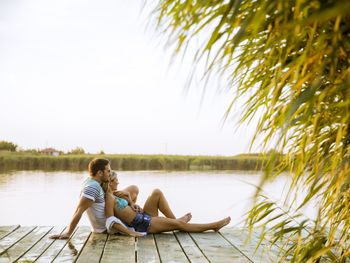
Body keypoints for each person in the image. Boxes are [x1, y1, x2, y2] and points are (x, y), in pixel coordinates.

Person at [106, 171, 231, 235]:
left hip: (143, 216)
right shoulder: (110, 199)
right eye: (116, 180)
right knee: (180, 225)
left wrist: (131, 202)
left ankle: (174, 222)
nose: (118, 182)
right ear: (110, 182)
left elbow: (132, 194)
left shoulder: (117, 194)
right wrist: (130, 232)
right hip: (143, 225)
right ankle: (213, 226)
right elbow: (111, 220)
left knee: (156, 192)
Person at [50, 158, 143, 239]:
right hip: (109, 228)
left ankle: (133, 208)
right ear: (99, 173)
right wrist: (68, 233)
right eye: (108, 171)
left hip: (111, 218)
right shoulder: (93, 187)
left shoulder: (90, 182)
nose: (110, 174)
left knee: (133, 189)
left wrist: (130, 202)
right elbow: (79, 210)